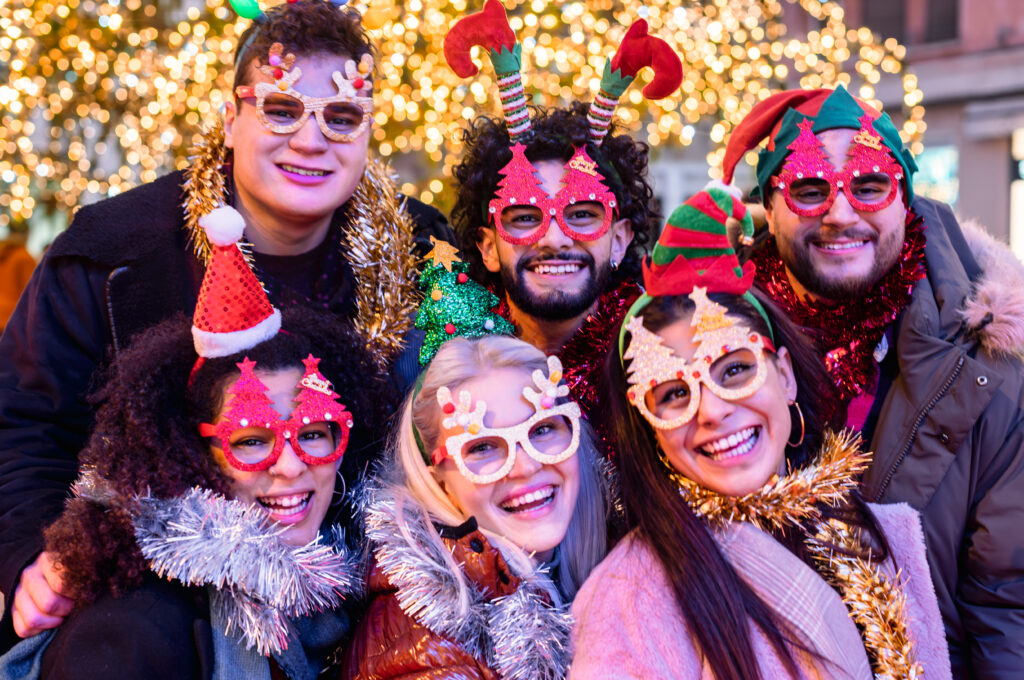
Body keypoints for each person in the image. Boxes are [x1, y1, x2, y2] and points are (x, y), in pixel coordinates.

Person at [0, 0, 450, 648]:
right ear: (230, 117)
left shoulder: (423, 252)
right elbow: (23, 421)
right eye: (282, 108)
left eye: (342, 116)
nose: (311, 138)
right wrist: (31, 554)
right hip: (155, 598)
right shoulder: (112, 256)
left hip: (370, 596)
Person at [570, 188, 951, 680]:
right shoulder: (625, 600)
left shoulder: (884, 539)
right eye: (672, 395)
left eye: (733, 371)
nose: (711, 411)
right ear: (649, 428)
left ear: (785, 375)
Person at [0, 207, 387, 678]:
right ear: (192, 455)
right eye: (250, 441)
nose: (289, 466)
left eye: (311, 433)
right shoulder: (135, 631)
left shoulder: (354, 587)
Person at [717, 85, 1024, 676]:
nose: (840, 212)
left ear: (903, 199)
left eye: (869, 185)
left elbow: (1008, 606)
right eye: (809, 189)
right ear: (769, 208)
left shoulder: (992, 365)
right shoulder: (707, 346)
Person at [342, 245, 608, 679]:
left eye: (542, 429)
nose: (523, 467)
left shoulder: (600, 574)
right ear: (436, 475)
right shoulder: (417, 639)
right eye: (482, 447)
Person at [445, 0, 681, 417]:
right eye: (523, 218)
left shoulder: (672, 366)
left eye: (582, 215)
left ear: (620, 240)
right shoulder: (448, 376)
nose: (554, 239)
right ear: (487, 247)